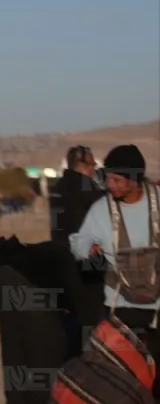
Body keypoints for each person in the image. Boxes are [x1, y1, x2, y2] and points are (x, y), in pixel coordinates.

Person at [70, 144, 160, 358]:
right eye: (107, 178)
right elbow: (78, 240)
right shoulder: (101, 209)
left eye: (117, 180)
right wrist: (87, 249)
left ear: (134, 179)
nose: (110, 185)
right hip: (120, 308)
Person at [49, 145, 104, 253]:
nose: (94, 169)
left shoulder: (59, 185)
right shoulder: (83, 186)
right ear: (81, 165)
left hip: (60, 249)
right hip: (81, 250)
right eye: (92, 164)